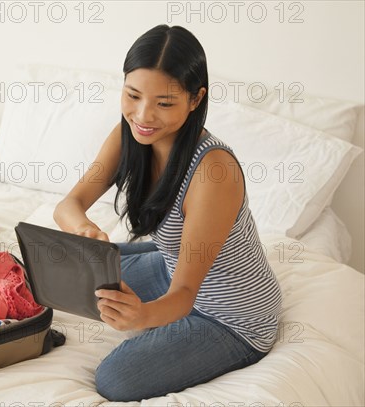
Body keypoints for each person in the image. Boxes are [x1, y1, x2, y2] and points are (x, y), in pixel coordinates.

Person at [53, 24, 282, 401]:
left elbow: (186, 294)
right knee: (67, 262)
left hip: (229, 314)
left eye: (164, 103)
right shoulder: (131, 132)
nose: (144, 115)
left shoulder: (213, 172)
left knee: (115, 379)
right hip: (171, 264)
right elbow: (69, 205)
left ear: (195, 99)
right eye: (133, 95)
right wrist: (83, 229)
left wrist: (142, 317)